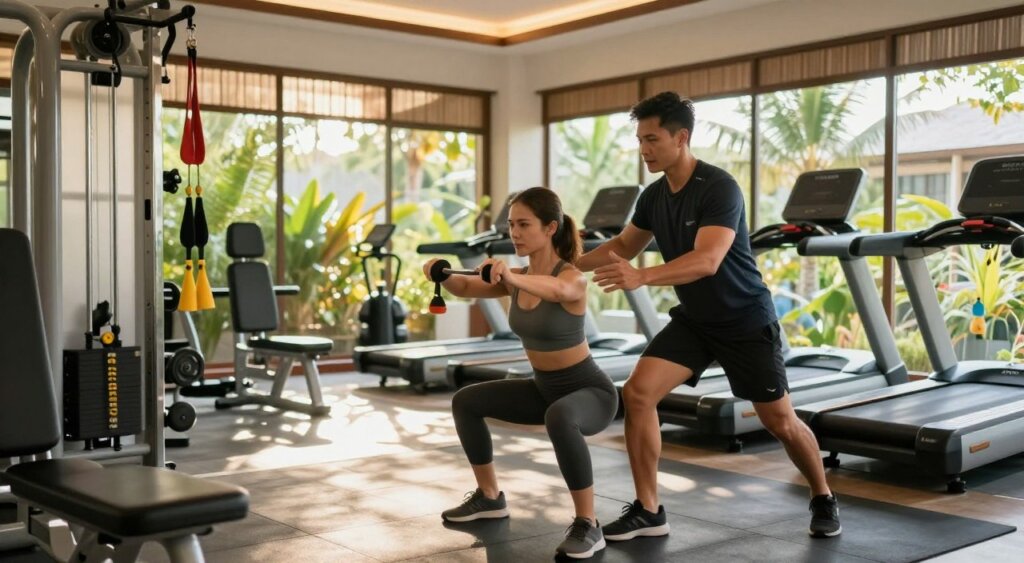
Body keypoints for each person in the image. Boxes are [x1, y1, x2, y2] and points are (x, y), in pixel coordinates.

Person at [575, 91, 841, 541]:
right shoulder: (654, 196)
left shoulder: (719, 187)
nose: (643, 149)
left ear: (681, 138)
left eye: (652, 139)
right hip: (697, 321)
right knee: (638, 393)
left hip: (744, 320)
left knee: (779, 420)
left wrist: (642, 277)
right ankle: (649, 509)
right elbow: (621, 246)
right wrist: (563, 264)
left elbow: (708, 259)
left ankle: (823, 496)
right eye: (640, 140)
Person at [429, 187, 617, 560]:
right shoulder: (518, 277)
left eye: (524, 224)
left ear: (550, 228)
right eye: (512, 225)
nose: (514, 233)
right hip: (543, 389)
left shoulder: (572, 276)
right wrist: (441, 271)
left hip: (590, 393)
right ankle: (489, 497)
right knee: (466, 401)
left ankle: (588, 523)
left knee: (560, 415)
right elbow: (464, 285)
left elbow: (559, 290)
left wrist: (510, 278)